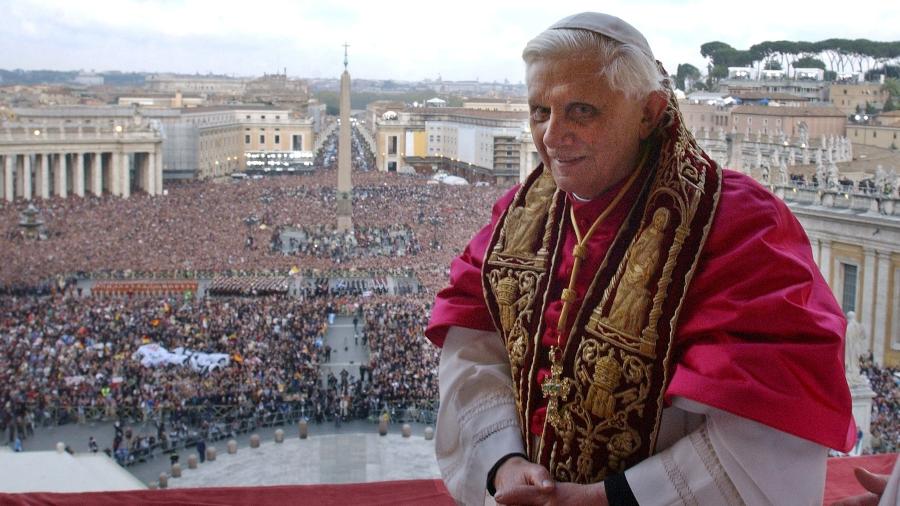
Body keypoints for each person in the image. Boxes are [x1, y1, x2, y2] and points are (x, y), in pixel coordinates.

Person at [426, 12, 855, 506]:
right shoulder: (521, 214)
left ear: (649, 112)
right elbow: (476, 341)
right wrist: (503, 461)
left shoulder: (737, 224)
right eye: (540, 110)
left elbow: (770, 422)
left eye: (581, 110)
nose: (551, 135)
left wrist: (608, 498)